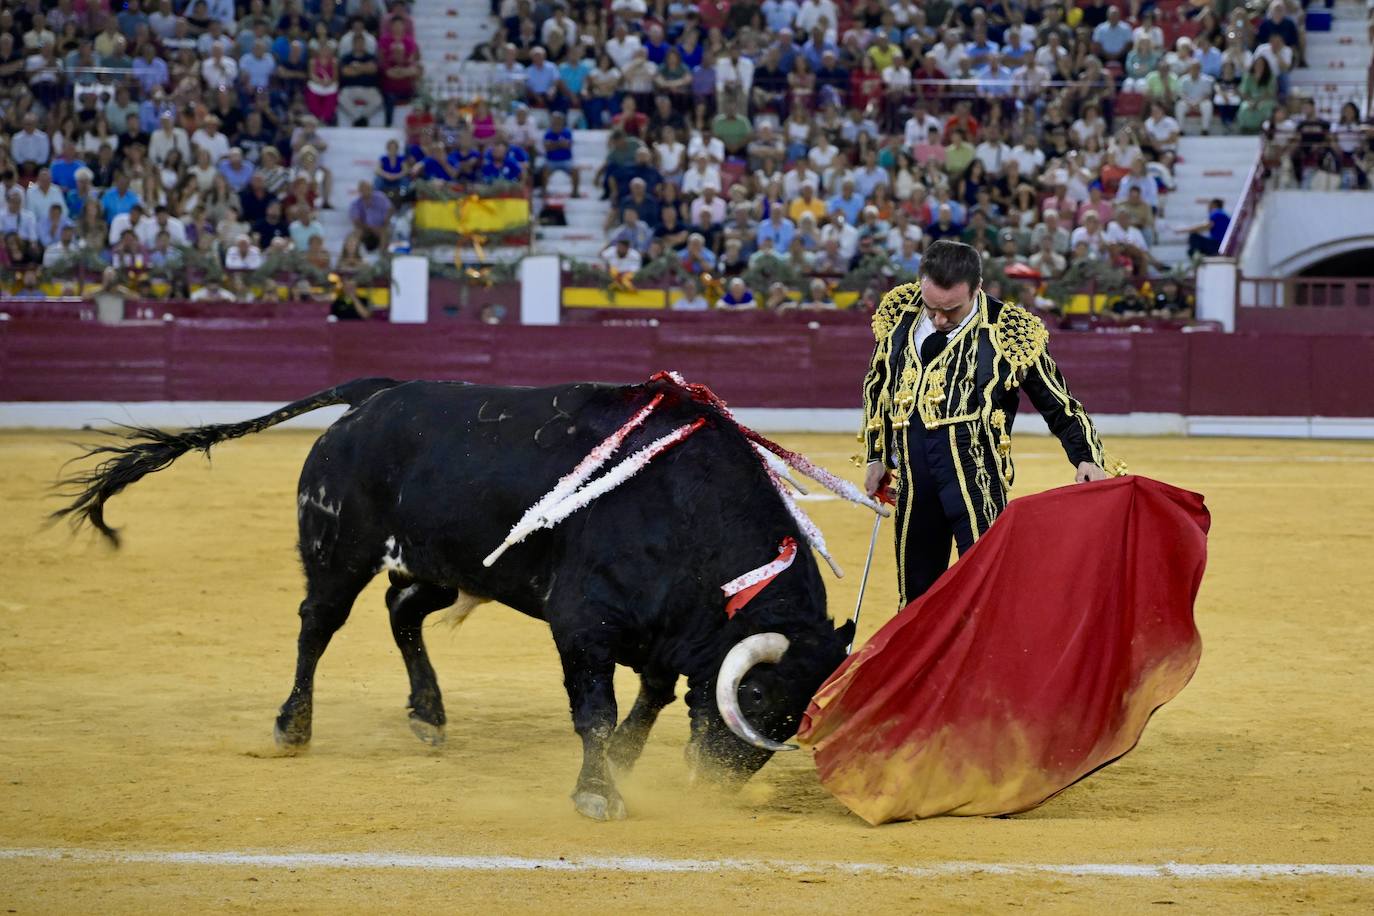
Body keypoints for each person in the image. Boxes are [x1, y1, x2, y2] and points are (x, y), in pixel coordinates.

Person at [861, 240, 1122, 603]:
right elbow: (879, 386)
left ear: (977, 288)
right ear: (921, 283)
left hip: (975, 479)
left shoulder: (1009, 330)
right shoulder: (900, 312)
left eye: (951, 310)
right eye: (931, 307)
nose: (938, 319)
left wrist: (1086, 457)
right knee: (916, 597)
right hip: (914, 479)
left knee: (986, 591)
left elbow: (1058, 403)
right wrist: (877, 455)